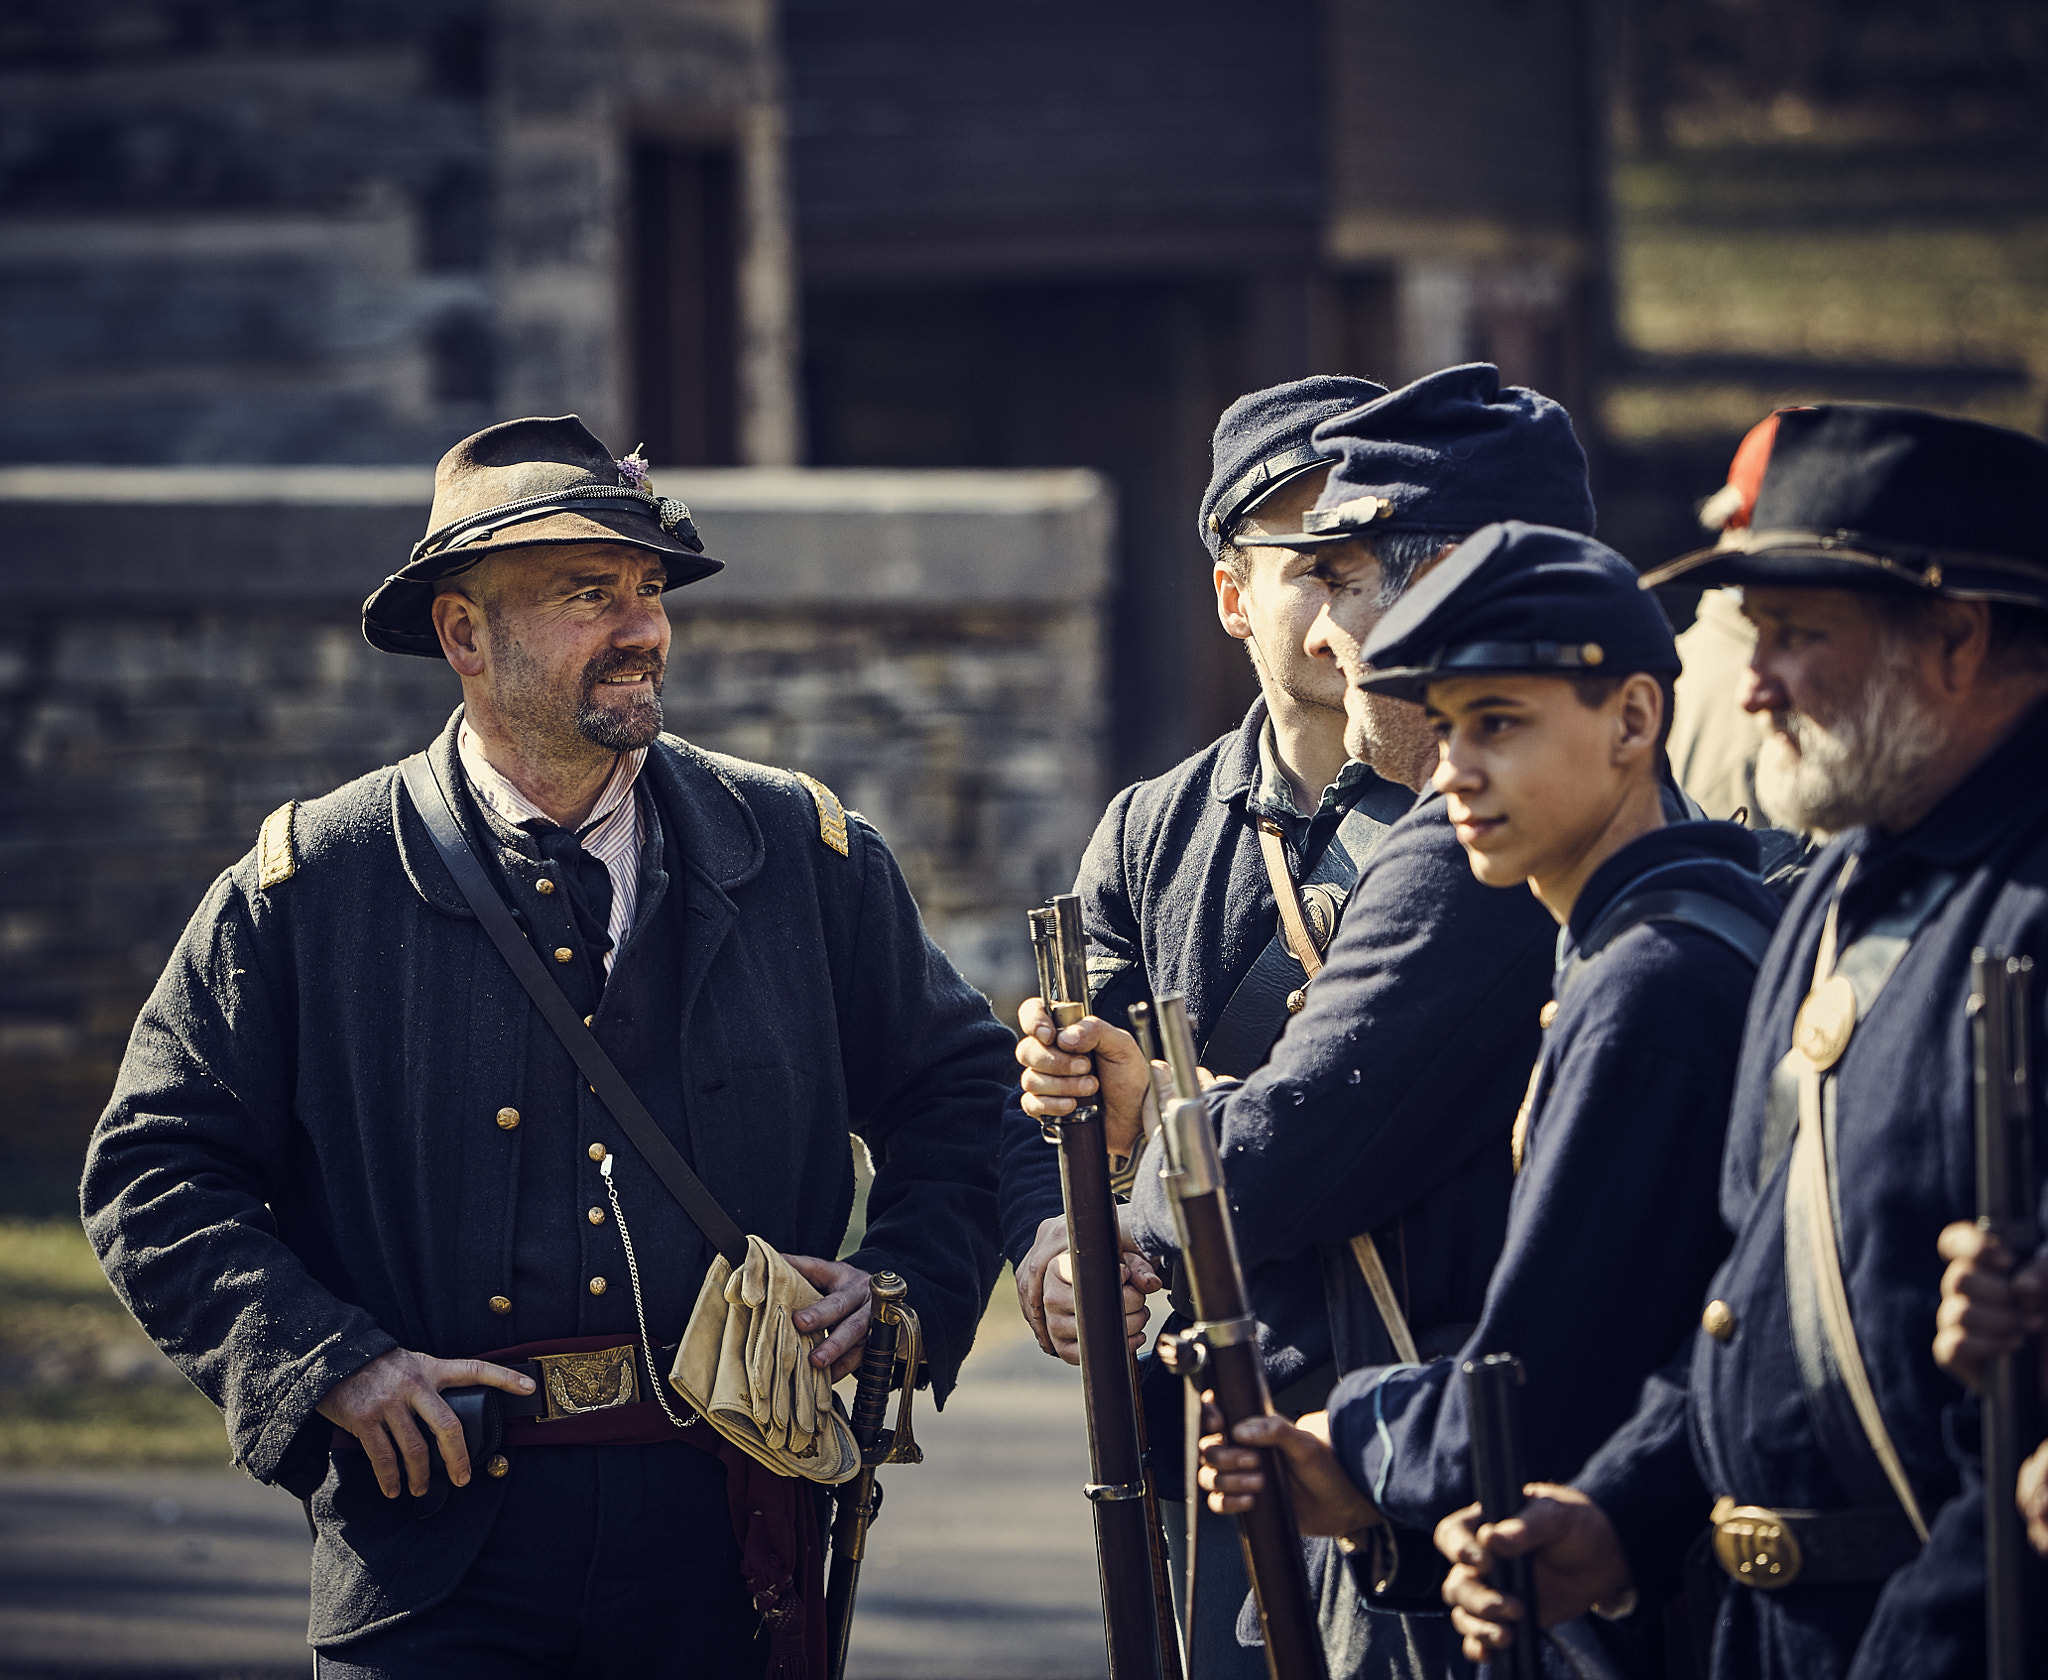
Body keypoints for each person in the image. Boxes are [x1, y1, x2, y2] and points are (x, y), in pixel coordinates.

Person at [79, 417, 1015, 1678]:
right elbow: (155, 1171)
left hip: (730, 1531)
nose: (643, 628)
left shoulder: (801, 852)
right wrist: (324, 1364)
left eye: (647, 591)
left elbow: (958, 1091)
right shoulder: (310, 886)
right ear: (464, 634)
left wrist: (898, 1282)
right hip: (430, 1547)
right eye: (588, 594)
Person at [1434, 404, 2048, 1680]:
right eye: (1751, 636)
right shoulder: (1829, 895)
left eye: (1796, 638)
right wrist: (1620, 1513)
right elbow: (1749, 1299)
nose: (1752, 684)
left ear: (1956, 637)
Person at [1009, 366, 1600, 1676]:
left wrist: (1154, 1146)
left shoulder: (1485, 820)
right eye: (1319, 567)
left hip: (1429, 1412)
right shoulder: (1156, 831)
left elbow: (1323, 1118)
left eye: (1374, 567)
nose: (1348, 615)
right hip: (1227, 1420)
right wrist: (1062, 1240)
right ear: (1236, 596)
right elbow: (1048, 1094)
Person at [1192, 521, 1780, 1675]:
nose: (1453, 771)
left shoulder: (1644, 984)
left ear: (1631, 721)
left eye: (1499, 725)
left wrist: (1349, 1440)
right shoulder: (1658, 939)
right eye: (1450, 726)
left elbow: (1541, 1385)